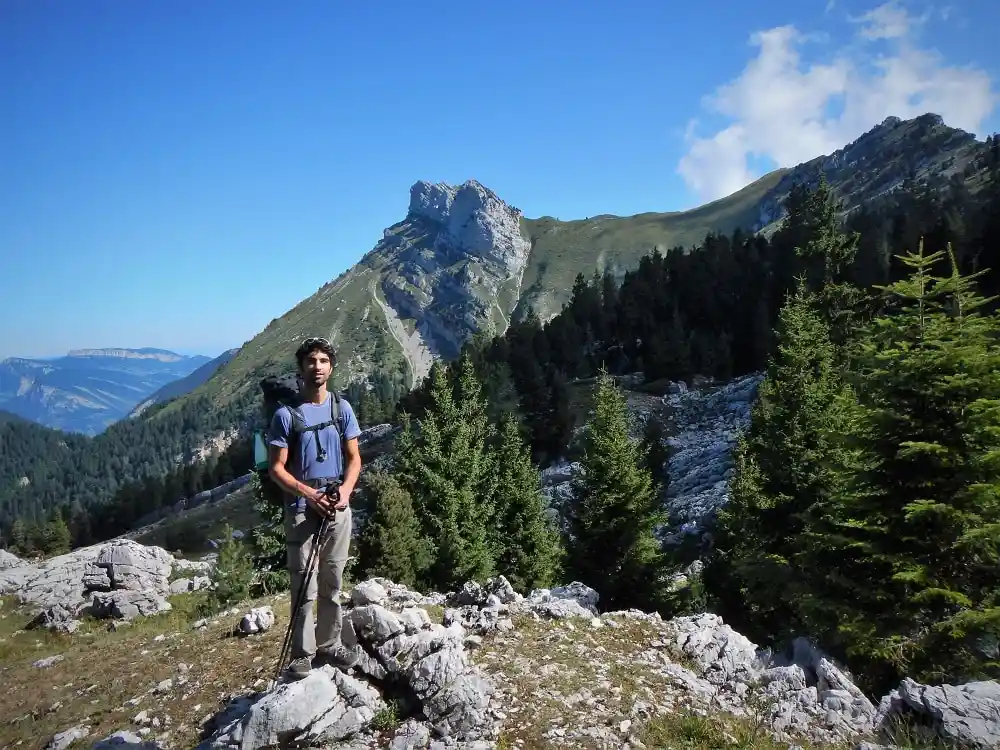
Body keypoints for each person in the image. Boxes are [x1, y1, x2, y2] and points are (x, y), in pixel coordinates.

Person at [266, 336, 363, 680]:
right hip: (302, 508)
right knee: (303, 585)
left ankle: (330, 645)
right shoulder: (285, 415)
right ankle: (302, 654)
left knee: (332, 581)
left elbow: (354, 459)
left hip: (337, 505)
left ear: (331, 367)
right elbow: (275, 469)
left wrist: (346, 492)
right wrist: (308, 494)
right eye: (311, 361)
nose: (317, 366)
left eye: (323, 360)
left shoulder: (342, 408)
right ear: (301, 368)